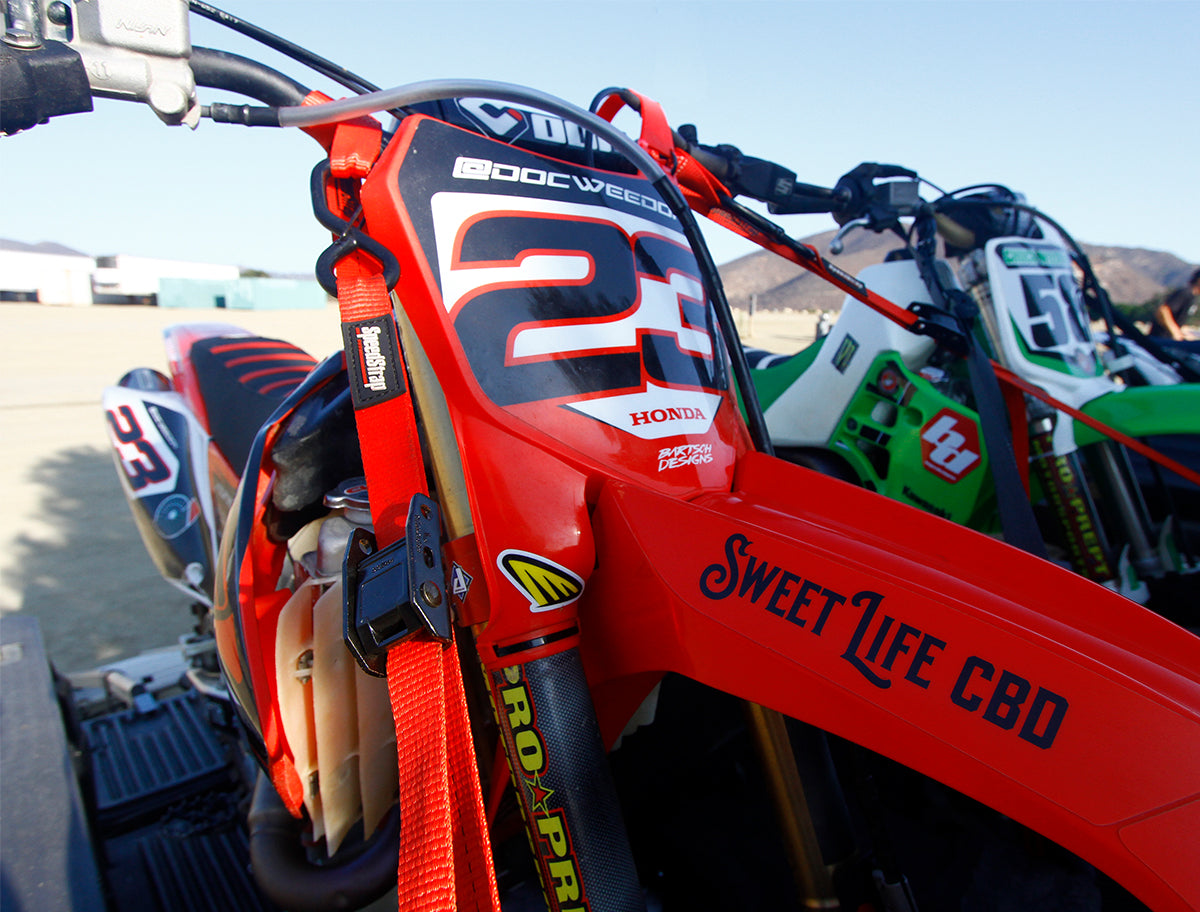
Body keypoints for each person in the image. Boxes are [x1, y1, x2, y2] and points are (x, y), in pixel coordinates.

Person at [1150, 267, 1200, 340]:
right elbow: (1163, 310)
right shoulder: (1185, 293)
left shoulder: (1193, 298)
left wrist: (1183, 333)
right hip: (1159, 340)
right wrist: (1175, 331)